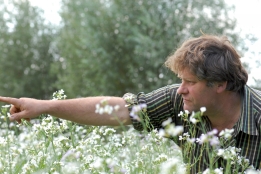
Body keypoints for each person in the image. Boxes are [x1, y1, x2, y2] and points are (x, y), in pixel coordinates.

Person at [0, 34, 260, 172]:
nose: (181, 90)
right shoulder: (179, 102)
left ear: (220, 84)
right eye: (180, 80)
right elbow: (120, 110)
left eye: (190, 82)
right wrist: (45, 107)